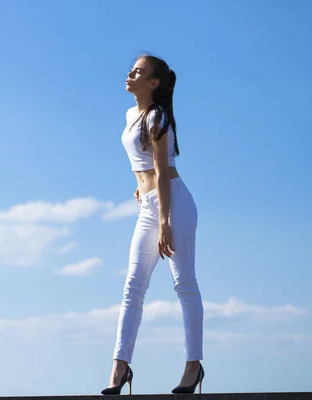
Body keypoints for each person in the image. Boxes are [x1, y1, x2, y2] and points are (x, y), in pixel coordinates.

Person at [101, 54, 204, 395]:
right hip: (149, 203)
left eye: (138, 71)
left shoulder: (158, 116)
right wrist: (140, 188)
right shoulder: (133, 114)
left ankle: (193, 366)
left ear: (154, 82)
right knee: (133, 287)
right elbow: (143, 163)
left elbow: (162, 169)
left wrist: (164, 222)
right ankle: (120, 366)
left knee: (184, 285)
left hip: (172, 204)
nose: (129, 74)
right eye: (131, 70)